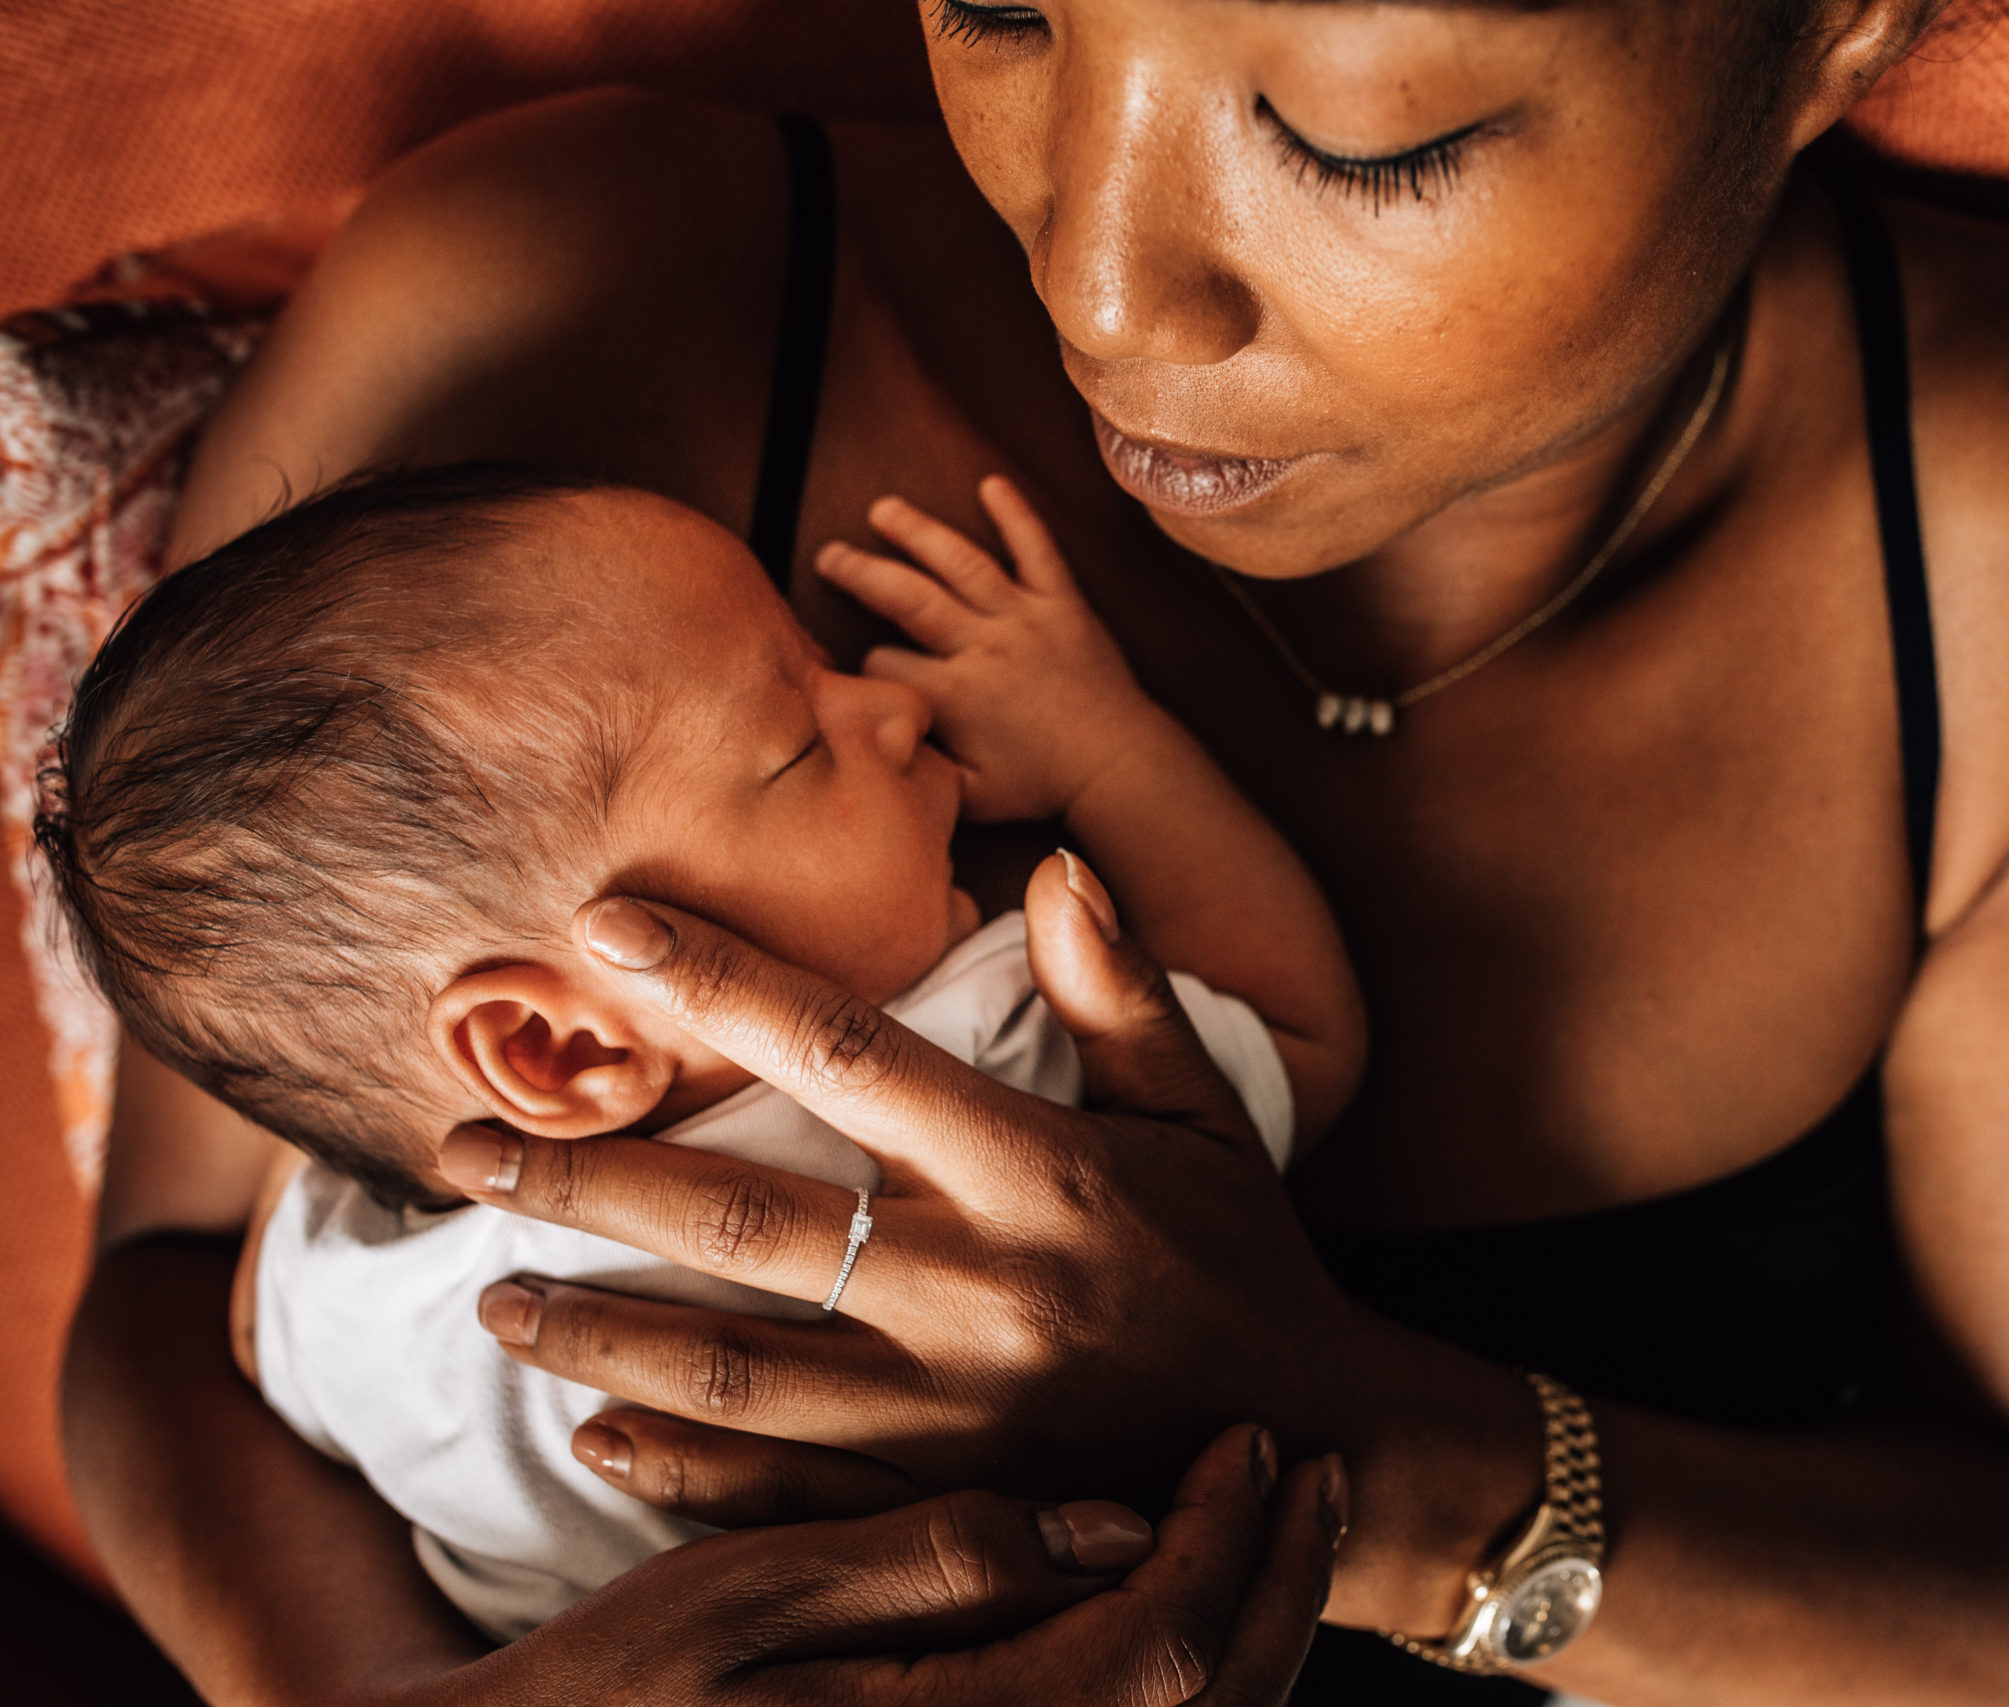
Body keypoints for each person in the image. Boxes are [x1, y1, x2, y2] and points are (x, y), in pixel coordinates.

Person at [67, 0, 2009, 1701]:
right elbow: (173, 1306)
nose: (1099, 285)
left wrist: (1360, 1449)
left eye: (1357, 131)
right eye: (1005, 10)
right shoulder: (579, 315)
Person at [36, 462, 1360, 1640]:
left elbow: (262, 1357)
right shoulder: (980, 1080)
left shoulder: (346, 1293)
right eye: (796, 749)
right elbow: (1294, 1029)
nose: (891, 706)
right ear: (553, 1046)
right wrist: (1106, 749)